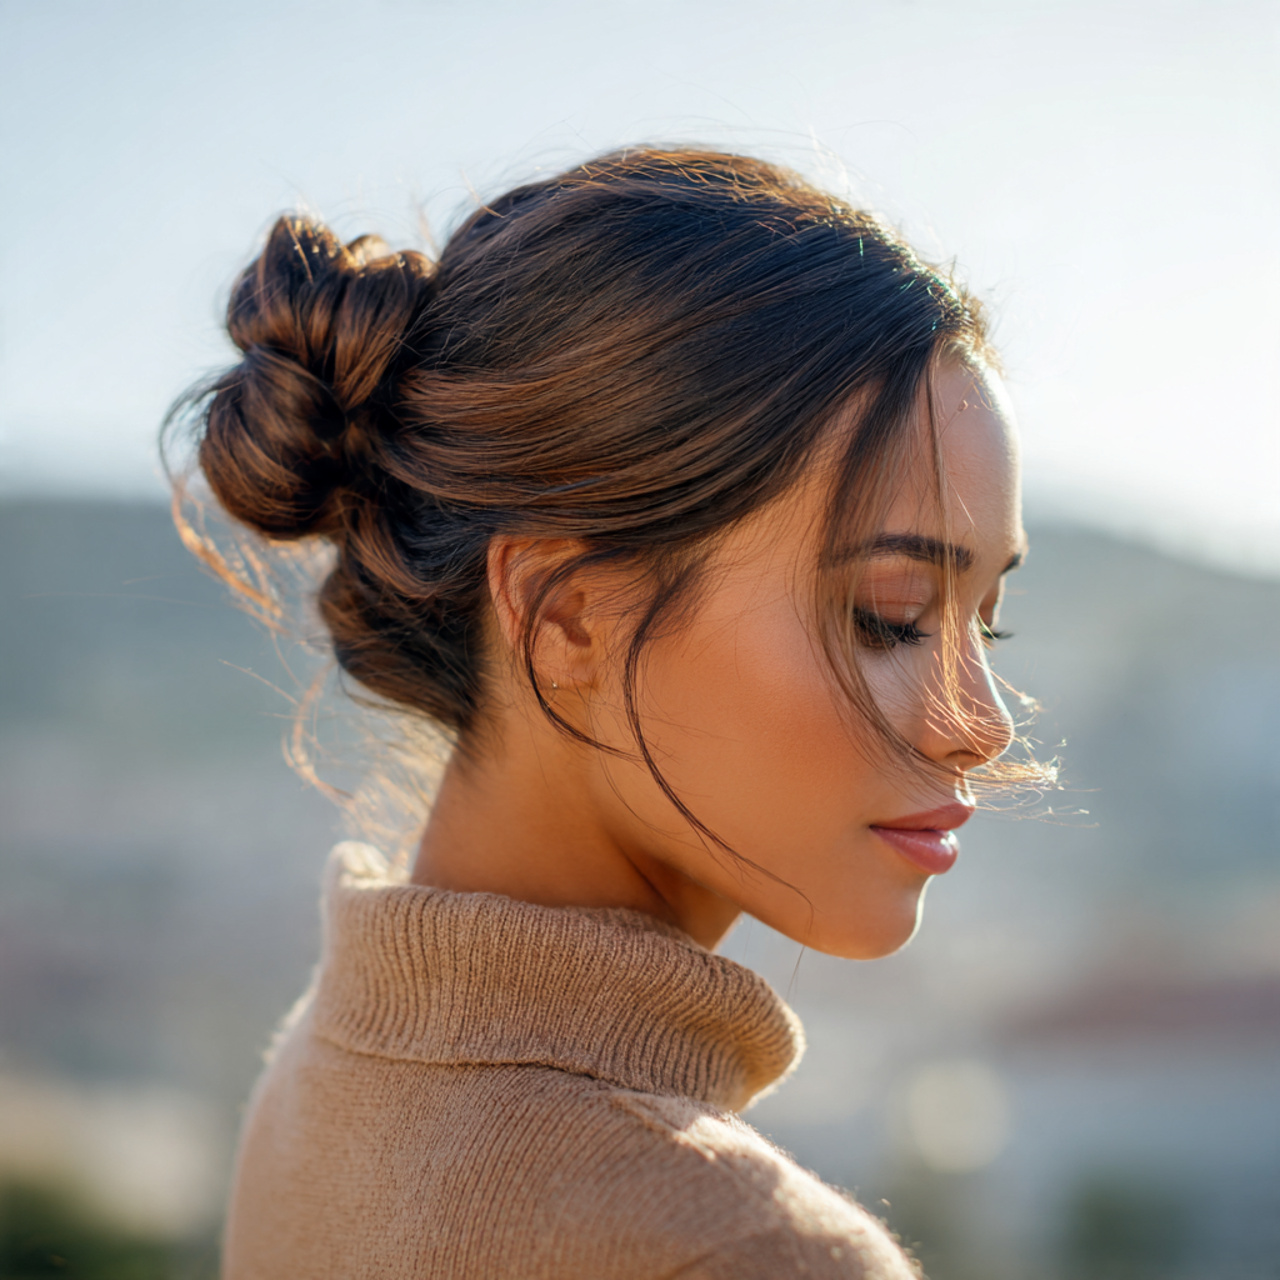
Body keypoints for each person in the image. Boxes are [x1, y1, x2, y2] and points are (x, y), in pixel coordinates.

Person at [177, 146, 1034, 1279]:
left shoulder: (329, 1068)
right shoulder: (738, 1248)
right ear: (568, 617)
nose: (979, 722)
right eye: (888, 615)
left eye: (988, 619)